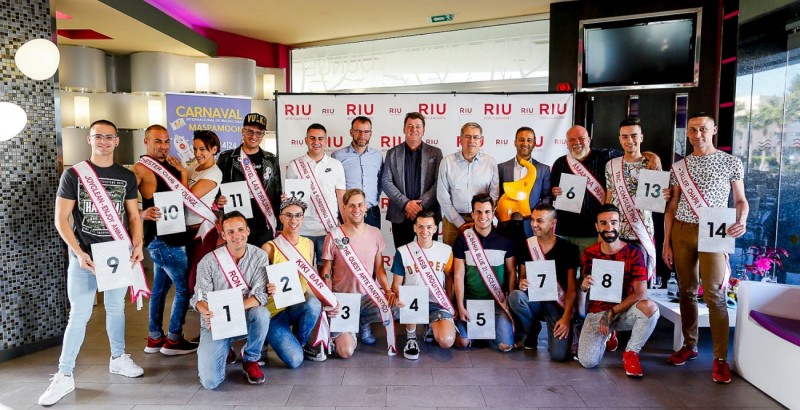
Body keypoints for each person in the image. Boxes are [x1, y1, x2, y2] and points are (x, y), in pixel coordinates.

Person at [39, 120, 146, 406]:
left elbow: (134, 216)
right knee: (79, 314)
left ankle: (118, 358)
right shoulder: (74, 174)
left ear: (117, 141)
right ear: (89, 139)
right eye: (99, 137)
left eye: (109, 137)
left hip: (116, 254)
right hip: (84, 256)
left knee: (115, 309)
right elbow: (61, 219)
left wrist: (138, 245)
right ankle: (64, 375)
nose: (104, 142)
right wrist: (77, 252)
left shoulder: (126, 176)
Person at [663, 112, 749, 384]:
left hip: (716, 229)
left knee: (714, 294)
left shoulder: (730, 162)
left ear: (713, 131)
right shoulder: (679, 167)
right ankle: (689, 345)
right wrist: (666, 242)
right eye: (691, 130)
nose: (696, 134)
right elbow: (672, 205)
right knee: (686, 292)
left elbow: (740, 200)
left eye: (702, 129)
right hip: (682, 230)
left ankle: (721, 358)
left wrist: (742, 221)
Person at [133, 124, 196, 355]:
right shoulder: (140, 168)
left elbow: (183, 198)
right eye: (158, 141)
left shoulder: (169, 165)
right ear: (146, 141)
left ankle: (154, 337)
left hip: (173, 235)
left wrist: (182, 173)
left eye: (166, 141)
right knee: (184, 290)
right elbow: (118, 200)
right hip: (164, 240)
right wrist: (140, 213)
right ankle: (174, 339)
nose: (163, 146)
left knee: (159, 290)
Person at [191, 211, 273, 389]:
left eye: (240, 230)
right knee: (210, 382)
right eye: (231, 232)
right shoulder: (209, 261)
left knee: (262, 313)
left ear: (248, 231)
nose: (236, 235)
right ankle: (225, 348)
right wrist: (206, 311)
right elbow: (198, 298)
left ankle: (251, 359)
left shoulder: (259, 256)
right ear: (223, 235)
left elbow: (260, 296)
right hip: (216, 323)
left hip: (244, 319)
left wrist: (234, 309)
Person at [577, 204, 659, 377]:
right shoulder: (589, 254)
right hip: (598, 311)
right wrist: (583, 286)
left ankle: (631, 353)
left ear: (620, 224)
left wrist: (612, 312)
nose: (609, 228)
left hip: (624, 310)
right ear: (597, 226)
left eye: (613, 223)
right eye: (604, 223)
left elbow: (640, 294)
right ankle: (608, 336)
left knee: (650, 307)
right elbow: (585, 287)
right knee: (588, 362)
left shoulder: (634, 253)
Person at [320, 189, 399, 357]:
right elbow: (326, 270)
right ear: (345, 208)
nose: (356, 209)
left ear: (366, 207)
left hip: (367, 297)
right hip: (343, 299)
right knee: (345, 351)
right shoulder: (334, 235)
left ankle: (364, 322)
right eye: (351, 206)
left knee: (399, 306)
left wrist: (387, 290)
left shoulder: (375, 233)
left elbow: (379, 269)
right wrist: (329, 299)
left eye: (360, 205)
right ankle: (349, 328)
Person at [508, 204, 578, 361]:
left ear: (553, 223)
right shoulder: (527, 245)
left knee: (559, 356)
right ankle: (531, 331)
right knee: (515, 296)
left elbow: (572, 288)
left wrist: (566, 317)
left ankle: (566, 332)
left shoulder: (568, 249)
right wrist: (522, 283)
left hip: (557, 304)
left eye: (539, 221)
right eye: (532, 220)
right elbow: (523, 277)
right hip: (535, 300)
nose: (534, 224)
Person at [262, 198, 326, 367]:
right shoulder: (269, 248)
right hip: (273, 313)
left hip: (295, 305)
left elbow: (309, 281)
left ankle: (301, 343)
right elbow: (257, 285)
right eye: (289, 215)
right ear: (281, 218)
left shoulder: (309, 244)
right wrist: (266, 287)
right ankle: (262, 338)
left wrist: (328, 303)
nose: (294, 220)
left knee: (313, 304)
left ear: (303, 218)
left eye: (298, 216)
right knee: (294, 361)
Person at [390, 210, 457, 359]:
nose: (424, 231)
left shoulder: (446, 251)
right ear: (414, 228)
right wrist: (400, 297)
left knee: (447, 341)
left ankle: (430, 327)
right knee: (410, 297)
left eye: (428, 227)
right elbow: (396, 284)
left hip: (436, 302)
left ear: (435, 228)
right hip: (412, 302)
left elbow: (450, 278)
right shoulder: (403, 251)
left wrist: (449, 301)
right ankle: (411, 338)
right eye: (420, 226)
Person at [453, 194, 516, 352]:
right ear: (472, 214)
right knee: (462, 342)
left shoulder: (506, 240)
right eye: (478, 212)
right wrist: (460, 306)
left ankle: (487, 334)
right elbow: (458, 276)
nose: (483, 216)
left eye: (487, 212)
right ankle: (483, 334)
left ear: (493, 214)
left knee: (505, 345)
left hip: (497, 302)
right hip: (470, 302)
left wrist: (508, 300)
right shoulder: (462, 240)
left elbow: (510, 272)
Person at [605, 117, 661, 282]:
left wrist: (665, 195)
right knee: (614, 283)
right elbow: (609, 196)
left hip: (640, 233)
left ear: (642, 137)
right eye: (625, 136)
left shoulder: (652, 164)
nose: (630, 140)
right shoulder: (611, 165)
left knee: (639, 283)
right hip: (615, 233)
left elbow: (659, 199)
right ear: (619, 139)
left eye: (634, 136)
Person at [216, 113, 282, 247]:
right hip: (236, 225)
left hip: (265, 223)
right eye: (250, 131)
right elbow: (216, 189)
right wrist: (218, 199)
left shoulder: (271, 159)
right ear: (242, 131)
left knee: (264, 264)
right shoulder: (227, 158)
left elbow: (277, 193)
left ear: (263, 135)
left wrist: (280, 225)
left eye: (259, 133)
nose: (254, 136)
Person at [285, 123, 346, 268]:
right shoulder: (295, 165)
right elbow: (289, 201)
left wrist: (345, 226)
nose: (316, 142)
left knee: (325, 273)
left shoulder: (336, 165)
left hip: (328, 229)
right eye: (312, 138)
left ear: (326, 141)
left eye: (320, 138)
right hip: (302, 229)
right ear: (306, 140)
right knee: (301, 273)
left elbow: (341, 197)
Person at [382, 112, 443, 247]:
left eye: (417, 126)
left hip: (428, 214)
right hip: (401, 212)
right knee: (404, 257)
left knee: (429, 257)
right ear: (404, 129)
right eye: (409, 126)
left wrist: (420, 206)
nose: (413, 130)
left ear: (423, 130)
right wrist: (406, 204)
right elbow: (386, 182)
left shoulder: (435, 153)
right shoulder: (392, 153)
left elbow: (439, 182)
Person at [437, 122, 499, 245]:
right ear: (460, 139)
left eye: (475, 137)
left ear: (481, 141)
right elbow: (442, 196)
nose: (471, 140)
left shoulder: (490, 163)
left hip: (482, 221)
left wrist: (479, 218)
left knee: (480, 261)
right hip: (452, 221)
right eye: (467, 136)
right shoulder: (447, 162)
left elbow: (494, 196)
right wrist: (459, 222)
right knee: (452, 259)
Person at [497, 126, 553, 264]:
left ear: (534, 143)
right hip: (506, 225)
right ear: (515, 142)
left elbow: (547, 196)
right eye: (521, 140)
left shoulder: (543, 169)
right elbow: (498, 196)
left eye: (529, 140)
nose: (525, 143)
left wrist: (536, 215)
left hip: (531, 225)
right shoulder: (502, 168)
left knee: (529, 263)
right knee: (506, 263)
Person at [186, 130, 223, 292]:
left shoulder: (214, 172)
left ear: (214, 149)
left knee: (198, 273)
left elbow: (189, 196)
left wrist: (180, 173)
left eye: (202, 149)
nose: (198, 153)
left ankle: (203, 307)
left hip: (203, 230)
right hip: (186, 229)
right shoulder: (193, 167)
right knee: (188, 272)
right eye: (195, 149)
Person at [332, 116, 383, 229]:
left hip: (372, 212)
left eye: (366, 132)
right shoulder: (338, 156)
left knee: (373, 246)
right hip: (348, 213)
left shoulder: (377, 156)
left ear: (371, 133)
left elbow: (380, 183)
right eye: (358, 131)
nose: (362, 135)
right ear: (351, 132)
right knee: (349, 246)